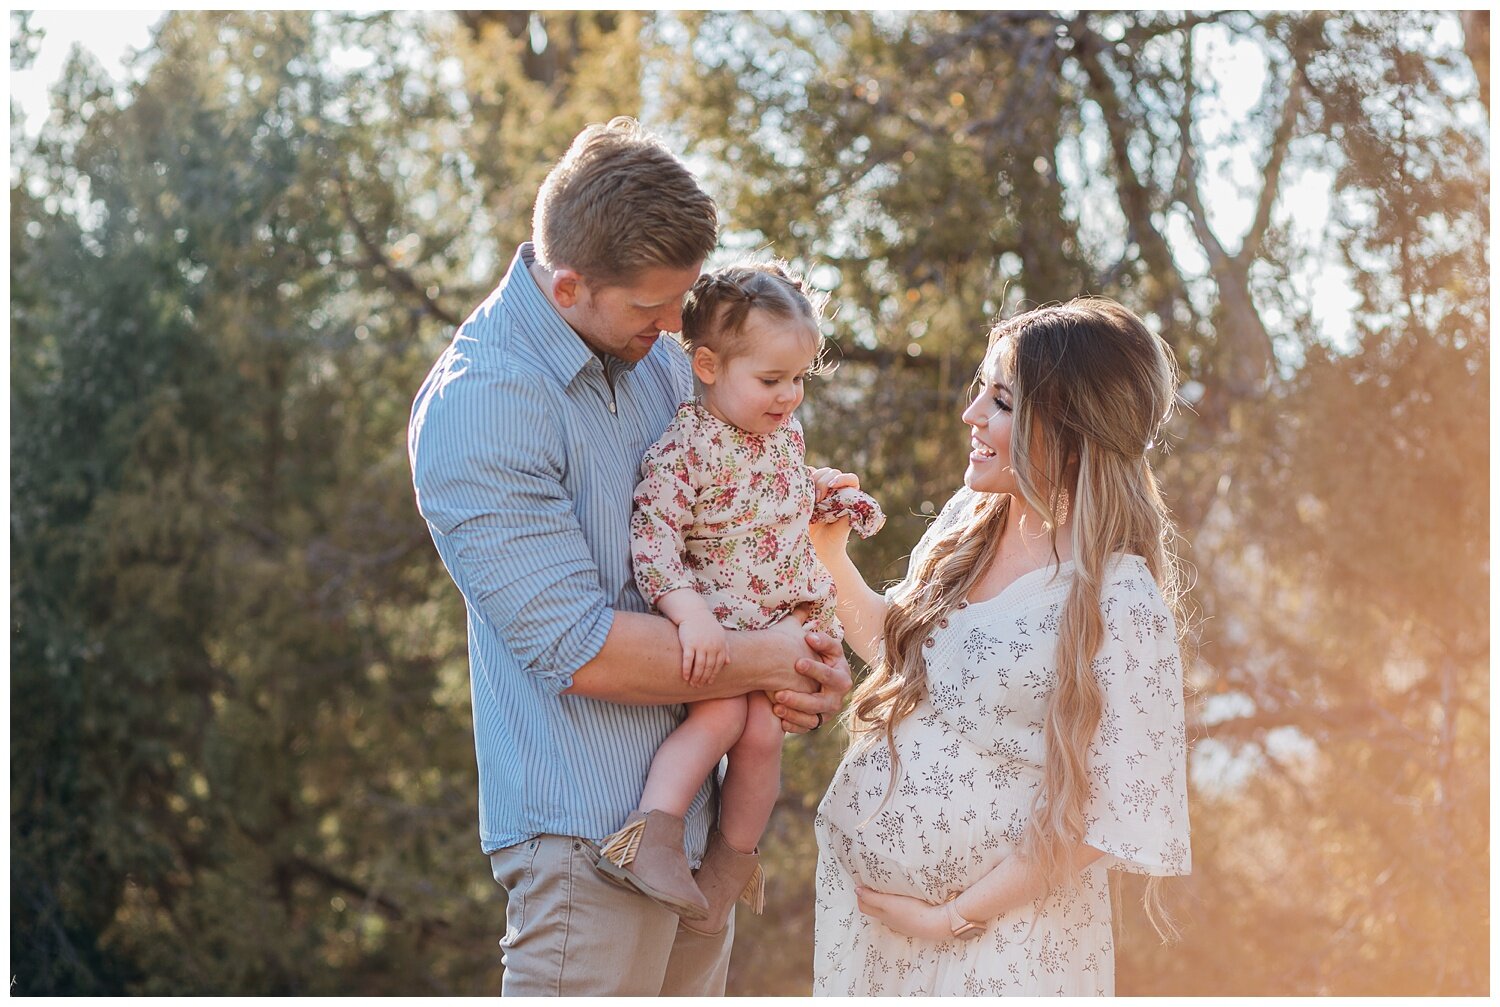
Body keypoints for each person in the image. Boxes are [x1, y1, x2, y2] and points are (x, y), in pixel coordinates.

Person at [406, 117, 852, 997]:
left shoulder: (656, 355)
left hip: (699, 834)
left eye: (682, 305)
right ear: (568, 284)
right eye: (652, 309)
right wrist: (776, 657)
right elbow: (582, 646)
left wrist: (807, 666)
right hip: (586, 843)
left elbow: (734, 515)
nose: (674, 328)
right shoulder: (484, 408)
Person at [807, 297, 1191, 996]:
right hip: (882, 938)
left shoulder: (1119, 597)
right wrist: (826, 553)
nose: (972, 415)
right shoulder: (970, 524)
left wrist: (952, 917)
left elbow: (1104, 819)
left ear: (1071, 426)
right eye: (981, 389)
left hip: (1011, 948)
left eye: (1003, 400)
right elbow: (904, 659)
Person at [595, 262, 885, 933]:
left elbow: (772, 497)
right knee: (723, 719)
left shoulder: (779, 435)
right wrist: (687, 611)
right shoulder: (685, 448)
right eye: (771, 380)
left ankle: (730, 864)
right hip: (721, 624)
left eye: (799, 379)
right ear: (707, 365)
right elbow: (653, 533)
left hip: (776, 615)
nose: (790, 396)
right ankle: (650, 836)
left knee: (762, 735)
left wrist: (824, 492)